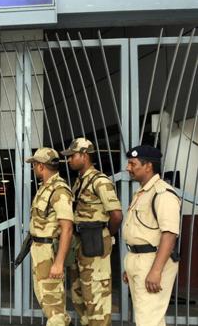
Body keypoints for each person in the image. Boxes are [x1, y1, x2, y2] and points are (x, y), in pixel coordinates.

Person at [62, 138, 123, 326]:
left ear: (84, 155)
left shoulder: (100, 181)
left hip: (95, 241)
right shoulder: (79, 181)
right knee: (80, 295)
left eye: (72, 156)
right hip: (80, 242)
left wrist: (106, 235)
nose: (69, 160)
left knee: (96, 296)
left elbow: (116, 216)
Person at [123, 145, 180, 326]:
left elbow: (169, 235)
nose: (128, 168)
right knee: (149, 317)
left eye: (133, 164)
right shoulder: (142, 192)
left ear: (148, 166)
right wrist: (131, 267)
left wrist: (156, 271)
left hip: (152, 260)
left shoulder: (163, 194)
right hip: (139, 259)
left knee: (148, 320)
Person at [26, 148, 73, 326]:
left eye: (34, 165)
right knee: (46, 299)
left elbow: (67, 228)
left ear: (40, 166)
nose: (34, 168)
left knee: (53, 302)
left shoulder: (59, 190)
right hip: (39, 250)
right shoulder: (46, 188)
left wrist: (59, 262)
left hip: (48, 252)